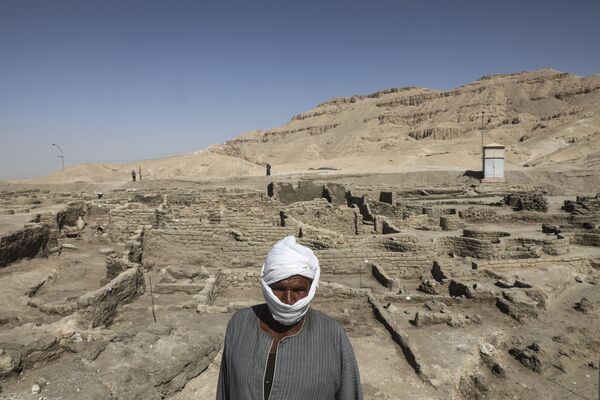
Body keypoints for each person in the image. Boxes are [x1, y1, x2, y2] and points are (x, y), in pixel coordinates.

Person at [216, 236, 363, 400]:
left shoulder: (332, 335)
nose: (288, 300)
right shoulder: (240, 324)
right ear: (266, 287)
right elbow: (225, 389)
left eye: (298, 290)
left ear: (311, 288)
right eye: (278, 289)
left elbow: (350, 394)